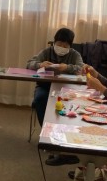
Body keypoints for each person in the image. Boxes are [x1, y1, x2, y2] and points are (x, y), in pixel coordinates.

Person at [27, 28, 84, 166]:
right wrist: (40, 64)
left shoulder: (75, 54)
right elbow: (29, 64)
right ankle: (48, 136)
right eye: (59, 44)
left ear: (70, 46)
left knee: (67, 106)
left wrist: (67, 68)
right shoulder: (46, 51)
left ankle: (65, 139)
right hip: (45, 86)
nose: (62, 47)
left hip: (67, 89)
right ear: (54, 42)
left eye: (65, 45)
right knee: (40, 99)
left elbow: (80, 68)